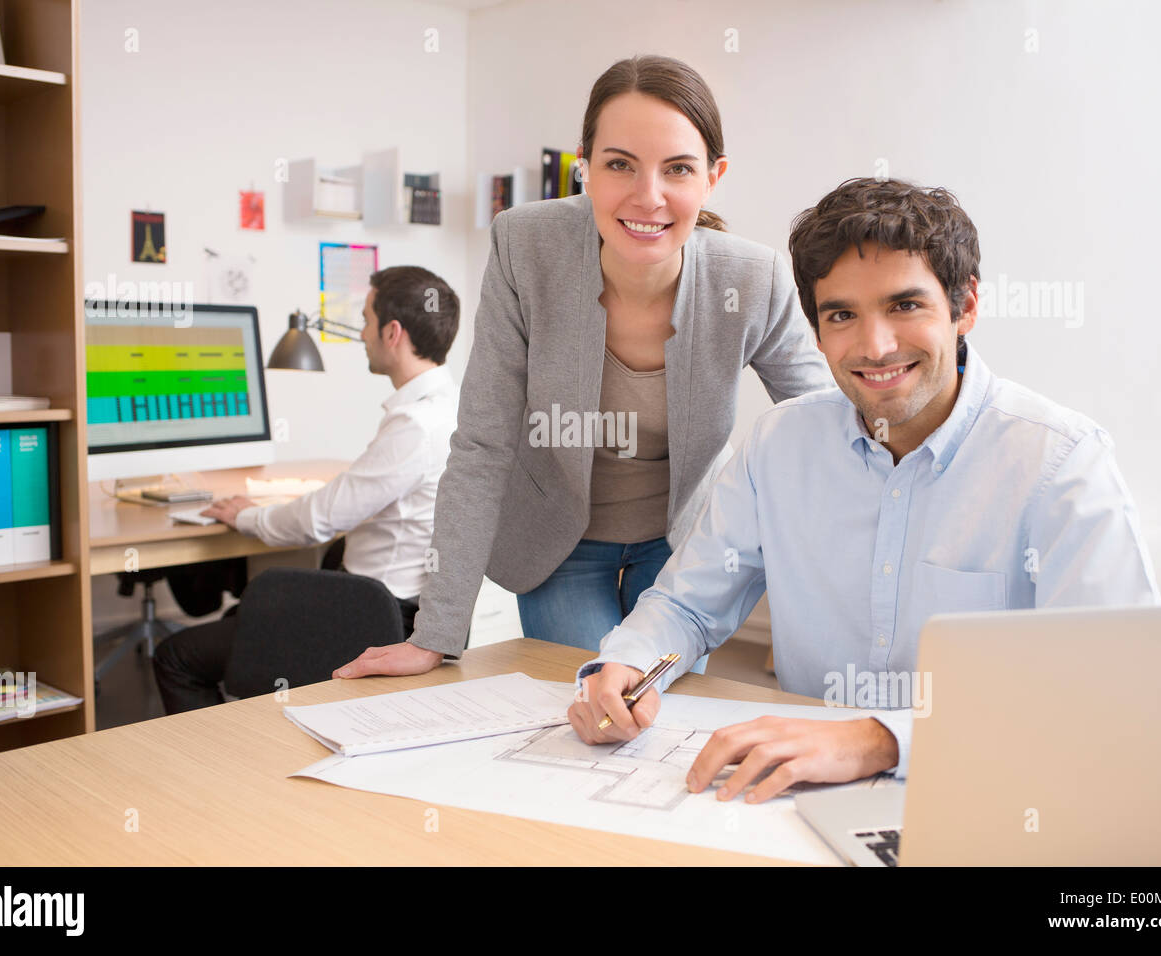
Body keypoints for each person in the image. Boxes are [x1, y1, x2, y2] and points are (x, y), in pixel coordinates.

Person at [567, 177, 1160, 801]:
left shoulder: (1061, 462)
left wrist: (881, 739)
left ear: (966, 307)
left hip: (998, 793)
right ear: (817, 332)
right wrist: (629, 663)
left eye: (905, 306)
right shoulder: (777, 446)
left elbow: (1111, 692)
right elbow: (689, 604)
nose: (875, 347)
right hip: (801, 798)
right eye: (842, 315)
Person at [332, 55, 831, 681]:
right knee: (584, 698)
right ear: (585, 168)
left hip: (681, 542)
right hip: (558, 539)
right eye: (619, 163)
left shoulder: (750, 278)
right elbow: (483, 443)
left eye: (677, 168)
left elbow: (822, 423)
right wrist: (435, 632)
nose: (647, 197)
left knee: (649, 707)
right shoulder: (525, 245)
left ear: (712, 176)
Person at [152, 266, 459, 713]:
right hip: (405, 605)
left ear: (392, 333)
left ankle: (215, 766)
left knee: (176, 657)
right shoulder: (448, 406)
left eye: (366, 319)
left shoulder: (414, 426)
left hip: (373, 615)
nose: (361, 333)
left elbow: (319, 521)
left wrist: (245, 515)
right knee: (243, 612)